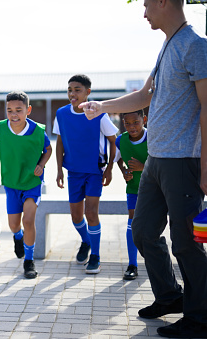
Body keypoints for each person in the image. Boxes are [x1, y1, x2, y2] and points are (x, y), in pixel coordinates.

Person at [80, 1, 207, 336]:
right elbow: (144, 95)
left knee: (185, 243)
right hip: (157, 160)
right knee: (143, 231)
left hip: (183, 161)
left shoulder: (196, 46)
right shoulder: (168, 44)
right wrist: (102, 106)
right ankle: (169, 297)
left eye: (148, 4)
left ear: (165, 1)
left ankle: (201, 316)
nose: (144, 11)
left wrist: (206, 166)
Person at [53, 74, 118, 274]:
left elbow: (113, 141)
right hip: (73, 171)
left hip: (94, 171)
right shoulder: (62, 114)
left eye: (77, 90)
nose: (72, 93)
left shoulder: (99, 113)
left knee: (91, 213)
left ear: (88, 92)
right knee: (75, 216)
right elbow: (60, 142)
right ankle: (86, 241)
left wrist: (109, 169)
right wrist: (58, 170)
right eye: (70, 89)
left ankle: (95, 256)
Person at [0, 91, 52, 279]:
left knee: (28, 220)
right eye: (9, 110)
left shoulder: (38, 130)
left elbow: (48, 149)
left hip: (32, 183)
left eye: (18, 110)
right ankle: (18, 237)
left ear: (28, 110)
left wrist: (41, 164)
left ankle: (28, 261)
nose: (14, 115)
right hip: (11, 183)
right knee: (14, 225)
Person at [114, 110, 147, 280]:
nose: (132, 126)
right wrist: (124, 171)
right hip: (134, 188)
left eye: (136, 122)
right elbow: (118, 159)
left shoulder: (153, 138)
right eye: (128, 123)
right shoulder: (121, 140)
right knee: (132, 222)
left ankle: (152, 261)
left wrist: (144, 167)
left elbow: (163, 163)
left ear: (145, 120)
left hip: (156, 189)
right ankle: (132, 264)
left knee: (152, 227)